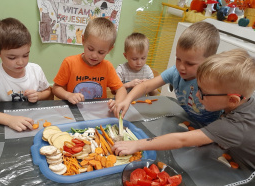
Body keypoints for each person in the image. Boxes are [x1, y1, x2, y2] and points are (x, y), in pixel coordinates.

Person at [113, 49, 255, 169]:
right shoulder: (242, 100)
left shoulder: (235, 125)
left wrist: (137, 144)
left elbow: (181, 140)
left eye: (203, 93)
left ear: (232, 100)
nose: (197, 95)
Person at [114, 21, 221, 126]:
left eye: (189, 63)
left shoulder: (214, 80)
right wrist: (127, 100)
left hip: (213, 127)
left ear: (208, 61)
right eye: (178, 59)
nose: (181, 67)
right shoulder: (175, 72)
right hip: (189, 120)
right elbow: (145, 86)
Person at [0, 18, 52, 132]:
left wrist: (39, 95)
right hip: (5, 125)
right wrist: (9, 120)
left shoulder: (35, 70)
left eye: (25, 55)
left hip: (34, 121)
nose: (20, 62)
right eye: (12, 57)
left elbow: (48, 92)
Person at [52, 17, 127, 105]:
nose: (94, 55)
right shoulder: (69, 63)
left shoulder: (107, 67)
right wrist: (68, 95)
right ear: (83, 40)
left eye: (101, 52)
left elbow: (121, 89)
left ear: (109, 50)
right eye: (90, 49)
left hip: (98, 112)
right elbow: (56, 88)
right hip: (75, 109)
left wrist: (118, 102)